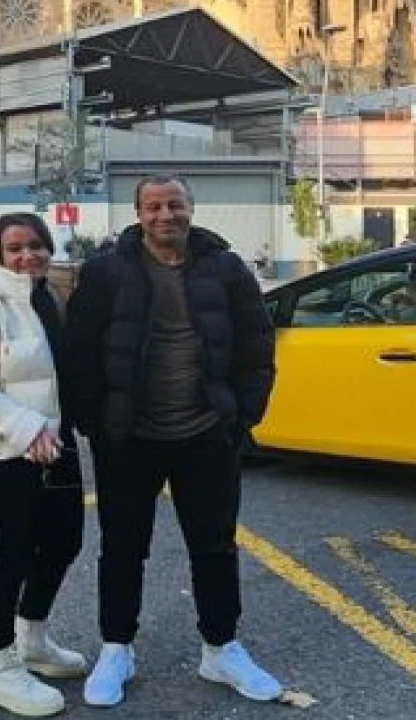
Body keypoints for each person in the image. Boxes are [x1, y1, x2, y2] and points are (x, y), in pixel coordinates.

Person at [65, 175, 281, 707]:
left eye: (175, 205)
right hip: (128, 438)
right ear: (139, 213)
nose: (166, 215)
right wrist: (95, 423)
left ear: (191, 208)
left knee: (214, 547)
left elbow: (257, 343)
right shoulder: (106, 272)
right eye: (154, 206)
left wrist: (242, 416)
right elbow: (79, 350)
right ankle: (117, 649)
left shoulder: (226, 268)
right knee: (122, 548)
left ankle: (220, 649)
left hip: (206, 434)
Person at [0, 213, 88, 717]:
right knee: (12, 556)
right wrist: (26, 428)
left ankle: (33, 639)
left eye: (36, 245)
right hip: (6, 451)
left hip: (56, 444)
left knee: (65, 541)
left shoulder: (47, 296)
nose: (28, 256)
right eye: (15, 248)